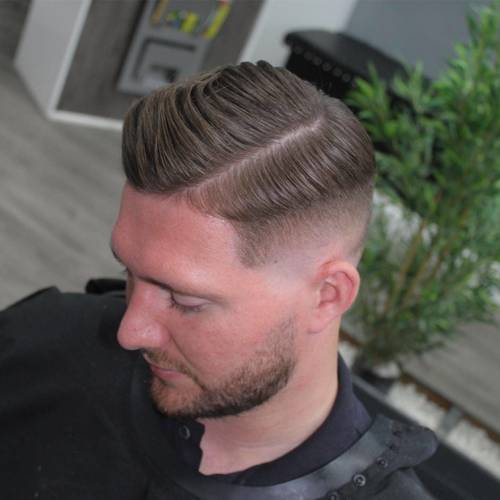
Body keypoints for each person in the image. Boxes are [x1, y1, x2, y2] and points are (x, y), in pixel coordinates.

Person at [0, 61, 437, 499]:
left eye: (185, 301)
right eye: (128, 272)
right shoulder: (41, 343)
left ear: (327, 296)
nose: (130, 332)